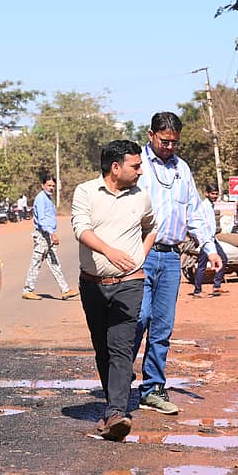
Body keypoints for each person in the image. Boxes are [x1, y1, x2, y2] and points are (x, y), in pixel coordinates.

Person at [133, 112, 221, 415]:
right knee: (138, 319)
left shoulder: (182, 169)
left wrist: (209, 248)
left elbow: (194, 214)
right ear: (150, 134)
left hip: (171, 257)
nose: (170, 147)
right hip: (140, 255)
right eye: (164, 141)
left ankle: (153, 389)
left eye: (174, 142)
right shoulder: (137, 167)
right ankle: (118, 384)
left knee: (162, 327)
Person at [72, 140, 155, 441]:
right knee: (103, 348)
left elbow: (152, 226)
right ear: (115, 167)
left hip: (130, 283)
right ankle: (112, 407)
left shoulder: (141, 197)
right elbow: (81, 229)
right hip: (92, 284)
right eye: (136, 166)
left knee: (121, 346)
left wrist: (141, 255)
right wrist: (109, 252)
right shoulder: (85, 192)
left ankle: (117, 412)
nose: (141, 171)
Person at [22, 174, 79, 301]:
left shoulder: (48, 199)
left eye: (53, 186)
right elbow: (41, 220)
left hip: (48, 235)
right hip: (43, 235)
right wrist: (51, 233)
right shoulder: (41, 199)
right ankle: (27, 290)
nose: (51, 188)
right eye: (49, 185)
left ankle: (65, 290)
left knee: (54, 263)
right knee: (36, 262)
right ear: (43, 185)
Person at [191, 182, 229, 297]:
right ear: (207, 193)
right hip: (206, 240)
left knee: (223, 259)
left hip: (212, 239)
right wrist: (205, 241)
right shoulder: (204, 206)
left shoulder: (211, 205)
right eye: (212, 193)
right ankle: (197, 291)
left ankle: (217, 286)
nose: (214, 196)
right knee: (202, 265)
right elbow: (202, 225)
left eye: (216, 194)